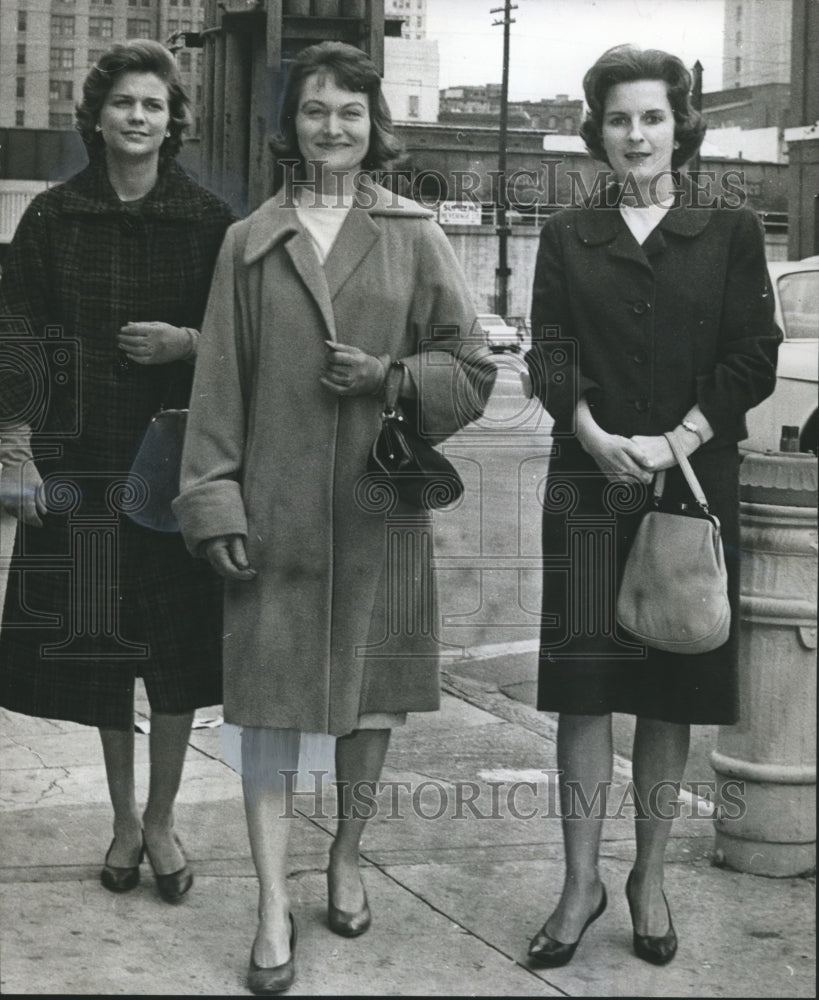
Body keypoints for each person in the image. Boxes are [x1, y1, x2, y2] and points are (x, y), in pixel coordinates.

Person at [173, 40, 494, 996]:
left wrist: (390, 377)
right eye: (314, 110)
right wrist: (213, 501)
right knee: (267, 717)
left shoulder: (414, 233)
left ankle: (347, 856)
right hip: (270, 515)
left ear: (373, 124)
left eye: (349, 111)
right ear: (291, 125)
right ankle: (273, 906)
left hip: (377, 511)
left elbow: (471, 369)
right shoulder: (248, 241)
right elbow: (216, 382)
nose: (332, 128)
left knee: (370, 706)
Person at [524, 44, 780, 968]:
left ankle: (649, 878)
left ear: (680, 126)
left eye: (652, 117)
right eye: (619, 119)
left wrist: (677, 441)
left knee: (669, 686)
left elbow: (753, 355)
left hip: (688, 488)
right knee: (584, 694)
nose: (635, 135)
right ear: (596, 131)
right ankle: (579, 882)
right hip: (589, 487)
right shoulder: (566, 235)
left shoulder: (729, 230)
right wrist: (591, 434)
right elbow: (546, 353)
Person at [0, 41, 235, 903]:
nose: (140, 117)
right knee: (103, 654)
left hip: (176, 466)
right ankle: (123, 820)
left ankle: (166, 816)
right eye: (124, 102)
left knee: (174, 655)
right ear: (95, 117)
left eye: (155, 104)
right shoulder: (53, 218)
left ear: (175, 121)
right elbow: (15, 334)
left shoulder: (211, 222)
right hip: (82, 462)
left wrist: (191, 345)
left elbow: (249, 345)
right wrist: (15, 452)